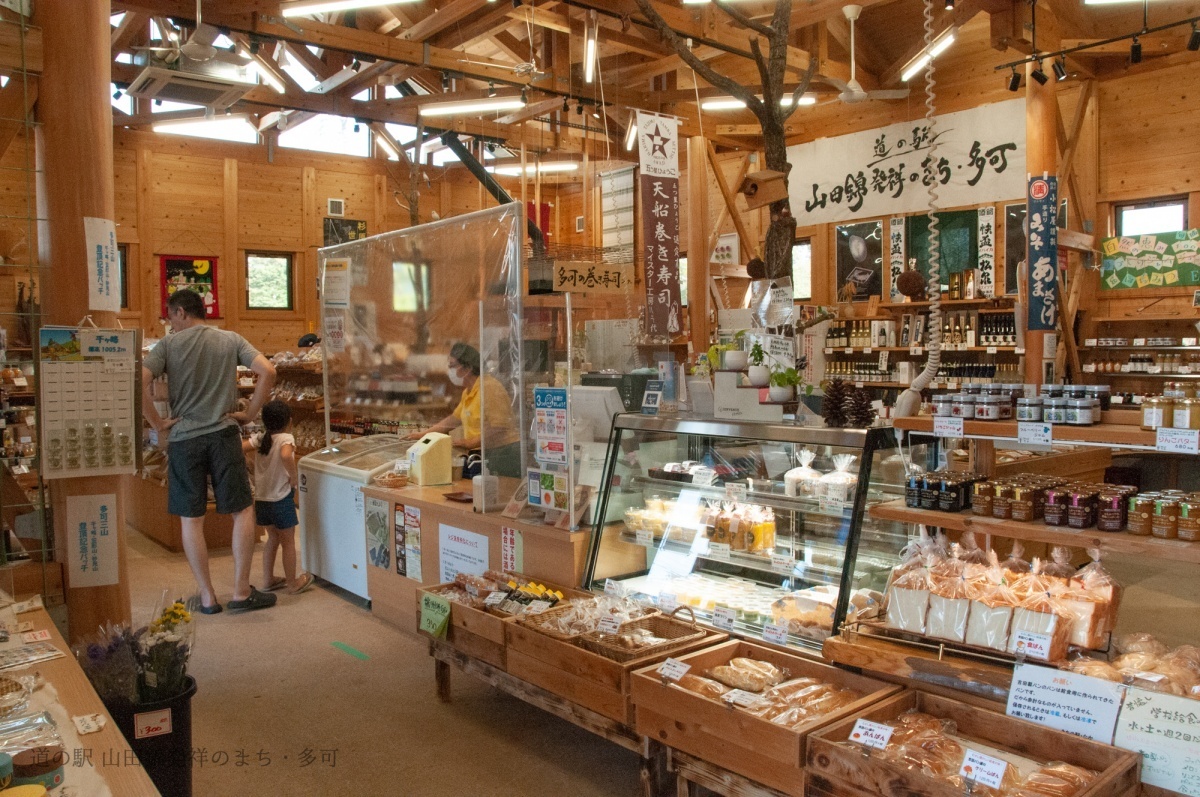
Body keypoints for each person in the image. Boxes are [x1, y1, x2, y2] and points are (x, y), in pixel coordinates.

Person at [142, 289, 278, 614]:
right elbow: (268, 372)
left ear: (181, 312)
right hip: (223, 434)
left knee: (192, 519)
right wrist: (249, 413)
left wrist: (157, 422)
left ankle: (206, 597)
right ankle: (242, 592)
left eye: (171, 317)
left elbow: (140, 378)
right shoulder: (229, 339)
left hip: (184, 439)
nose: (170, 324)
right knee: (241, 511)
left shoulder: (167, 346)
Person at [407, 342, 523, 477]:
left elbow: (499, 427)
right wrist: (424, 435)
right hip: (481, 454)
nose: (449, 370)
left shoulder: (489, 388)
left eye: (452, 366)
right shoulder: (468, 391)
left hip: (502, 456)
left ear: (467, 367)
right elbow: (453, 420)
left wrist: (470, 442)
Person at [244, 400, 313, 596]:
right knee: (289, 541)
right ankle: (292, 583)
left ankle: (268, 579)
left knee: (272, 538)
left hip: (262, 499)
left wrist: (249, 464)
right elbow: (285, 455)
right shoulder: (286, 438)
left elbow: (239, 448)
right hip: (280, 498)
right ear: (289, 421)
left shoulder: (260, 438)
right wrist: (293, 475)